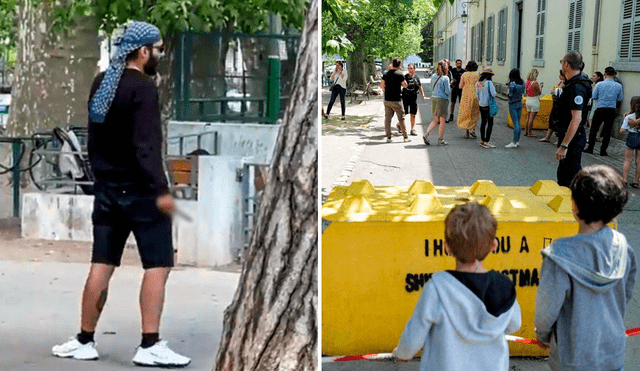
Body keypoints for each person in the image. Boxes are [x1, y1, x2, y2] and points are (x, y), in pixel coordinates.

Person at [51, 21, 191, 368]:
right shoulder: (143, 87)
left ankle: (84, 339)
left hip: (108, 191)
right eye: (158, 49)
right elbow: (146, 147)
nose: (159, 54)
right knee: (158, 265)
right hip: (143, 192)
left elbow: (93, 142)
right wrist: (162, 191)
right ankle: (149, 344)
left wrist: (103, 179)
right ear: (143, 52)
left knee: (102, 263)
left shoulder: (103, 83)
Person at [393, 202, 521, 371]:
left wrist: (403, 353)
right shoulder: (505, 287)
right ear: (494, 245)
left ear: (447, 247)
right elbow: (515, 324)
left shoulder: (438, 288)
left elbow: (414, 334)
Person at [534, 165, 636, 371]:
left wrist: (543, 335)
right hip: (611, 353)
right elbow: (625, 294)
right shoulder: (623, 247)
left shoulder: (558, 255)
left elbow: (546, 308)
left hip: (572, 358)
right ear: (616, 211)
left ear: (574, 206)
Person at [554, 51, 592, 187]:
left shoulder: (576, 87)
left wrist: (564, 145)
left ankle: (586, 204)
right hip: (572, 137)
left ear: (566, 64)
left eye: (561, 62)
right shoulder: (574, 83)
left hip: (574, 139)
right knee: (566, 175)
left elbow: (576, 119)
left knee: (570, 179)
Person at [584, 66, 623, 156]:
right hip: (611, 110)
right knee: (607, 131)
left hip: (600, 108)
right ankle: (603, 150)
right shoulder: (618, 86)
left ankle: (590, 148)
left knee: (594, 129)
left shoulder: (599, 84)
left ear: (605, 75)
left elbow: (594, 96)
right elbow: (620, 98)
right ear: (614, 75)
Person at [381, 58, 409, 143]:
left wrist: (387, 91)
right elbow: (405, 85)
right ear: (399, 65)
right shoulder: (400, 74)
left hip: (387, 99)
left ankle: (388, 137)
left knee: (388, 118)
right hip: (397, 99)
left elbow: (381, 85)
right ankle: (405, 137)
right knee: (401, 118)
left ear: (392, 64)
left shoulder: (385, 74)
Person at [424, 60, 451, 146]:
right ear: (446, 68)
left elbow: (431, 87)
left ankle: (426, 134)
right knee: (442, 120)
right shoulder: (445, 78)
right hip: (442, 99)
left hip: (434, 98)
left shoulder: (433, 76)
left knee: (436, 119)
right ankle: (441, 139)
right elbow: (447, 91)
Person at [396, 63, 427, 136]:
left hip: (413, 97)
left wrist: (423, 95)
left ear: (414, 69)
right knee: (404, 113)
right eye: (409, 68)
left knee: (413, 114)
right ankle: (399, 124)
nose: (410, 70)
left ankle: (412, 129)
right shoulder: (405, 77)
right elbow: (400, 85)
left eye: (411, 68)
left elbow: (420, 86)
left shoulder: (416, 77)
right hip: (405, 97)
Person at [539, 70, 566, 144]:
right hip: (555, 103)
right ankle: (547, 137)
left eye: (560, 75)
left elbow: (561, 93)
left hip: (560, 105)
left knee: (559, 122)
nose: (559, 76)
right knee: (551, 120)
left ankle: (560, 139)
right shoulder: (560, 83)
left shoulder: (565, 84)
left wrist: (555, 92)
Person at [456, 60, 480, 139]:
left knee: (466, 112)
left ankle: (466, 132)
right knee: (474, 113)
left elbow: (460, 86)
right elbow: (479, 85)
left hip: (466, 95)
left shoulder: (464, 74)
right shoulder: (477, 74)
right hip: (475, 95)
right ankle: (473, 130)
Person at [620, 96, 640, 188]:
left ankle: (624, 180)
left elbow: (622, 130)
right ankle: (635, 181)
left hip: (632, 136)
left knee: (628, 160)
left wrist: (628, 127)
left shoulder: (630, 116)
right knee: (638, 161)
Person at [475, 68, 497, 148]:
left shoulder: (478, 83)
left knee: (483, 122)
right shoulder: (489, 83)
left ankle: (482, 140)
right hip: (488, 104)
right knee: (490, 123)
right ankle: (486, 141)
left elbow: (476, 95)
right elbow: (494, 94)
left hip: (481, 104)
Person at [505, 68, 525, 148]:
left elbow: (510, 95)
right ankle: (517, 141)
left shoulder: (512, 84)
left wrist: (508, 89)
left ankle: (514, 141)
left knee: (515, 123)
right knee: (518, 122)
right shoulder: (522, 82)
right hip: (519, 103)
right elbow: (523, 91)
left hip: (513, 104)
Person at [523, 68, 543, 137]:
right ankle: (529, 132)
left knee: (528, 117)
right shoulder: (535, 83)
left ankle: (526, 131)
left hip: (528, 100)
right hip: (534, 100)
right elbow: (539, 92)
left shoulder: (527, 82)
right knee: (531, 118)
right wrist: (541, 88)